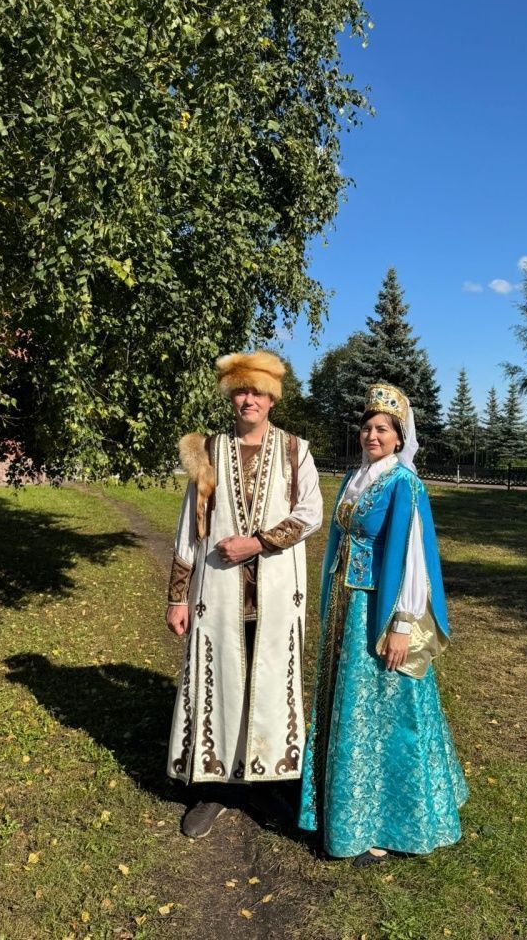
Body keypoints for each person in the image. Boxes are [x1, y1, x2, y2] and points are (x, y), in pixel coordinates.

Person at [298, 383, 467, 865]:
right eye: (367, 428)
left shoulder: (403, 483)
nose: (372, 435)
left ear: (399, 438)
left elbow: (414, 558)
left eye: (382, 429)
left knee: (388, 708)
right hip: (346, 608)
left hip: (379, 610)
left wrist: (402, 624)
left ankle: (389, 820)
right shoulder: (357, 477)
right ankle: (343, 802)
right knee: (352, 705)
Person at [166, 351, 323, 838]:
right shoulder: (208, 451)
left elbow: (311, 513)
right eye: (240, 391)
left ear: (272, 399)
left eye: (257, 391)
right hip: (218, 592)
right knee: (220, 682)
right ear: (230, 398)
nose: (248, 399)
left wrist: (256, 543)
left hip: (276, 594)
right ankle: (218, 787)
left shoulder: (296, 450)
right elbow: (190, 528)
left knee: (273, 683)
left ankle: (273, 779)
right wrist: (177, 596)